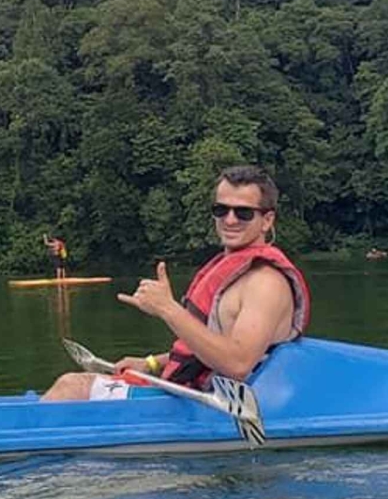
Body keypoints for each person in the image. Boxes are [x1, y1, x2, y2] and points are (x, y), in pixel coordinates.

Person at [42, 165, 310, 401]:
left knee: (71, 388)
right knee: (70, 385)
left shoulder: (266, 283)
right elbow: (208, 349)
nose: (229, 220)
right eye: (221, 209)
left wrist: (168, 309)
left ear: (267, 220)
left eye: (243, 213)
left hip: (226, 406)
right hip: (196, 395)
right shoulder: (233, 274)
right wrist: (151, 363)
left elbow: (237, 363)